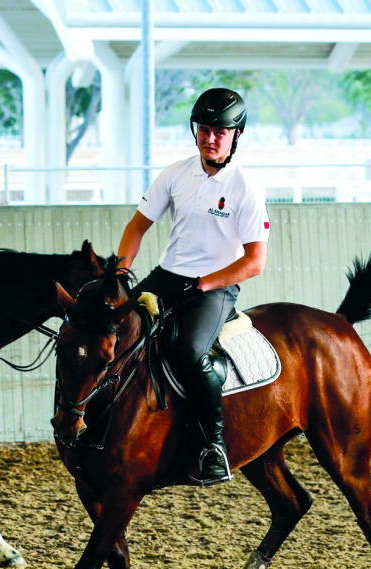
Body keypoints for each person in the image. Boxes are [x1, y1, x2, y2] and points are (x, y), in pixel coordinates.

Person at [115, 87, 270, 486]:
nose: (211, 137)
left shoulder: (246, 187)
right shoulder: (175, 173)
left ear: (237, 135)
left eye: (220, 131)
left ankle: (212, 445)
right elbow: (137, 227)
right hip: (167, 276)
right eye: (204, 129)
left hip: (216, 287)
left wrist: (204, 285)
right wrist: (120, 271)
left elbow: (255, 262)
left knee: (189, 351)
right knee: (116, 329)